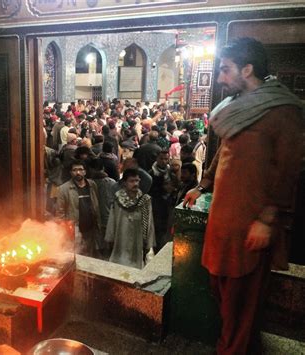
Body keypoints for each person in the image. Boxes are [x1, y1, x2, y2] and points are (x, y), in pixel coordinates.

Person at [183, 37, 304, 354]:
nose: (220, 79)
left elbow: (288, 172)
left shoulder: (283, 111)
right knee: (223, 298)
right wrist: (202, 185)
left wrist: (267, 219)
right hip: (223, 222)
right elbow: (225, 153)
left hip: (250, 228)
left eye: (225, 70)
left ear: (247, 69)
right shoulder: (237, 109)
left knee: (242, 308)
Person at [105, 169, 156, 269]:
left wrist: (149, 244)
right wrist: (110, 238)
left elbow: (150, 223)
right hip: (121, 241)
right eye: (131, 181)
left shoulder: (144, 200)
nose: (135, 184)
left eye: (137, 181)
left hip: (138, 242)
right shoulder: (118, 199)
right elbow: (112, 220)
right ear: (124, 183)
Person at [56, 160, 102, 258]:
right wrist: (64, 231)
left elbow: (96, 203)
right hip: (75, 229)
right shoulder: (63, 189)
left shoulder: (92, 185)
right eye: (74, 170)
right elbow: (60, 213)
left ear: (85, 171)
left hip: (91, 229)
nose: (78, 172)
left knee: (90, 255)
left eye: (80, 169)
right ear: (70, 172)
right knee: (75, 256)